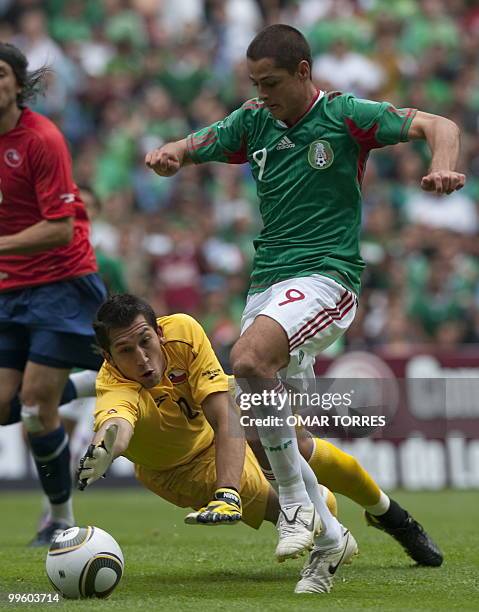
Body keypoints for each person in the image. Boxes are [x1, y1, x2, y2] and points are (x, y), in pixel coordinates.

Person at [145, 24, 461, 592]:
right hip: (268, 283)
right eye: (254, 83)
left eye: (271, 83)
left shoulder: (343, 116)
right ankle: (364, 526)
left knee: (246, 361)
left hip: (327, 277)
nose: (261, 94)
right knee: (271, 438)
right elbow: (198, 144)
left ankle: (296, 508)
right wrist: (173, 153)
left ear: (304, 72)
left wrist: (442, 164)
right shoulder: (254, 120)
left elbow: (439, 124)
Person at [76, 293, 357, 595]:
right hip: (182, 467)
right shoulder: (113, 384)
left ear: (159, 332)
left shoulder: (183, 331)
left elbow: (224, 414)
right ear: (109, 358)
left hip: (215, 431)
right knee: (310, 504)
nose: (141, 358)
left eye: (145, 341)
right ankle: (332, 532)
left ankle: (372, 513)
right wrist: (105, 450)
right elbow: (116, 425)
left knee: (255, 400)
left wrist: (227, 494)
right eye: (125, 350)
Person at [0, 43, 107, 546]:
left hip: (58, 281)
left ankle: (60, 518)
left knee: (35, 401)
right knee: (9, 406)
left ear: (18, 85)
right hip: (8, 287)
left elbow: (60, 229)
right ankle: (88, 384)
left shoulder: (41, 139)